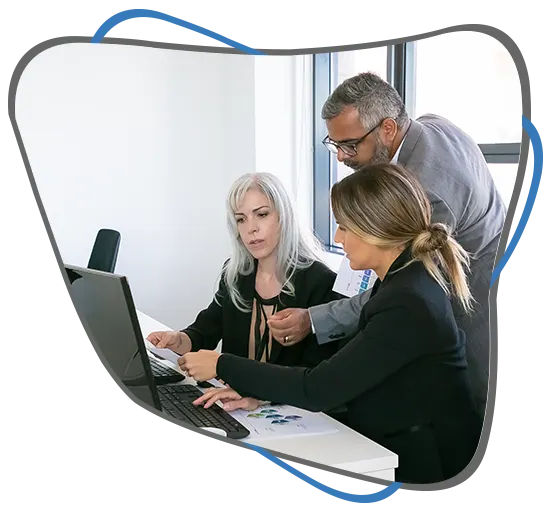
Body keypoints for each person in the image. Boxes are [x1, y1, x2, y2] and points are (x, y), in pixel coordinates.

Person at [179, 163, 483, 484]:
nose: (338, 238)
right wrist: (257, 393)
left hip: (432, 462)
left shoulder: (407, 301)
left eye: (344, 228)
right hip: (406, 442)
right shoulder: (401, 280)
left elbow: (318, 388)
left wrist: (222, 364)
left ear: (375, 227)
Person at [265, 72, 506, 417]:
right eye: (334, 144)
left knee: (481, 411)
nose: (341, 157)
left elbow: (400, 289)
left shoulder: (428, 194)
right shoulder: (427, 126)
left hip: (480, 304)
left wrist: (314, 320)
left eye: (350, 145)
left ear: (388, 128)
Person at [146, 172, 342, 411]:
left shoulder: (321, 281)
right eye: (241, 219)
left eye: (262, 214)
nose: (251, 229)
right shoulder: (236, 273)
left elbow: (314, 374)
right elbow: (206, 330)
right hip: (232, 407)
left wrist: (257, 397)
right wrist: (179, 340)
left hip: (291, 412)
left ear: (284, 217)